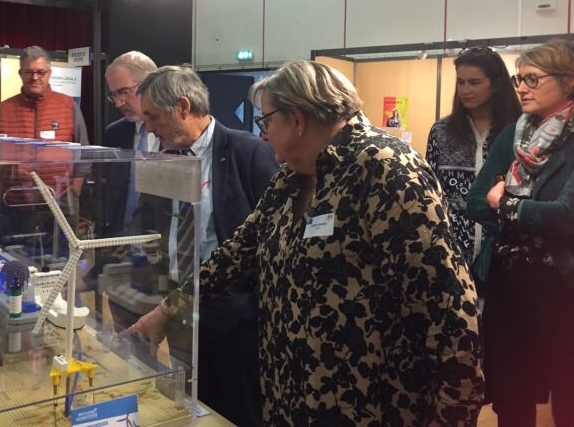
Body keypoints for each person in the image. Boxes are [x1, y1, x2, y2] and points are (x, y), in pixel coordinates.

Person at [132, 60, 483, 426]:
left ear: (297, 119)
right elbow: (235, 255)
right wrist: (166, 311)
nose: (263, 136)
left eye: (266, 122)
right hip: (293, 400)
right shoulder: (292, 178)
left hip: (368, 407)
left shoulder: (386, 168)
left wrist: (453, 416)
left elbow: (447, 307)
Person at [136, 65, 279, 427]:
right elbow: (154, 221)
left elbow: (270, 238)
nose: (148, 128)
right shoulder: (164, 155)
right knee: (192, 404)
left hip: (233, 314)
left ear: (183, 107)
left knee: (234, 408)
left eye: (153, 117)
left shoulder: (248, 151)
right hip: (178, 302)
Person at [467, 39, 574, 427]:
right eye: (519, 79)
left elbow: (565, 216)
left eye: (533, 79)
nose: (522, 88)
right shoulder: (514, 134)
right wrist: (528, 213)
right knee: (512, 396)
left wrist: (507, 205)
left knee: (567, 394)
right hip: (507, 280)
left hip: (560, 285)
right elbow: (476, 201)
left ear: (568, 81)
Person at [0, 46, 89, 247]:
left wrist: (73, 193)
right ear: (20, 74)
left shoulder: (68, 106)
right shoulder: (4, 109)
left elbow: (83, 154)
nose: (35, 77)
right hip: (12, 206)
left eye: (40, 72)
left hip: (59, 206)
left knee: (62, 261)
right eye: (29, 72)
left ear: (49, 73)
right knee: (12, 260)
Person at [426, 48, 520, 263]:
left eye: (474, 83)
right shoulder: (442, 131)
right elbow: (431, 190)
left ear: (495, 85)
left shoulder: (518, 132)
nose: (465, 90)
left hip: (502, 246)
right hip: (452, 247)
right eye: (460, 82)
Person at [103, 51, 160, 232]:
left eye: (124, 92)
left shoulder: (174, 132)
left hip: (162, 236)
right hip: (122, 236)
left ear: (149, 84)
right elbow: (112, 194)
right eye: (113, 95)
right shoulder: (114, 133)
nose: (118, 103)